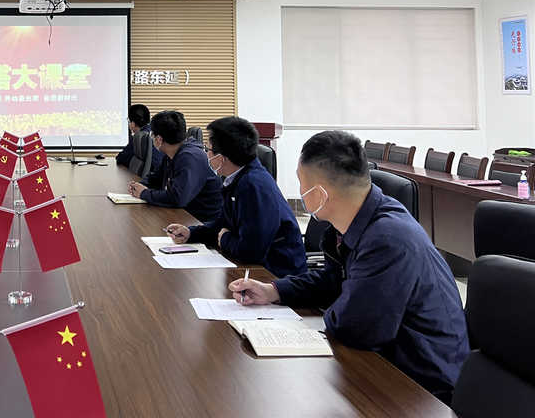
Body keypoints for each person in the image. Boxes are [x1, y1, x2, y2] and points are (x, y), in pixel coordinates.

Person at [228, 130, 468, 404]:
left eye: (301, 182)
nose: (300, 192)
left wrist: (335, 308)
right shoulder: (352, 225)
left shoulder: (388, 239)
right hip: (385, 363)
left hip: (420, 388)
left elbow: (355, 328)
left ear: (319, 194)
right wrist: (274, 290)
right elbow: (334, 282)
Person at [164, 116, 306, 277]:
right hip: (254, 268)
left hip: (276, 274)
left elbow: (250, 251)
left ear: (221, 158)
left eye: (208, 149)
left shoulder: (252, 185)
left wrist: (225, 238)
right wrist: (191, 233)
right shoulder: (236, 178)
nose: (206, 154)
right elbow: (224, 223)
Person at [127, 110, 221, 223]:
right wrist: (139, 186)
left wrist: (144, 193)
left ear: (159, 139)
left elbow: (178, 198)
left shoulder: (190, 157)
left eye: (152, 135)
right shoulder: (172, 153)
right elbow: (156, 178)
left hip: (201, 222)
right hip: (183, 216)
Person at [115, 104, 163, 173]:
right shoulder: (154, 132)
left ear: (133, 123)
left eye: (128, 121)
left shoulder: (139, 137)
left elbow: (120, 158)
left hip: (151, 177)